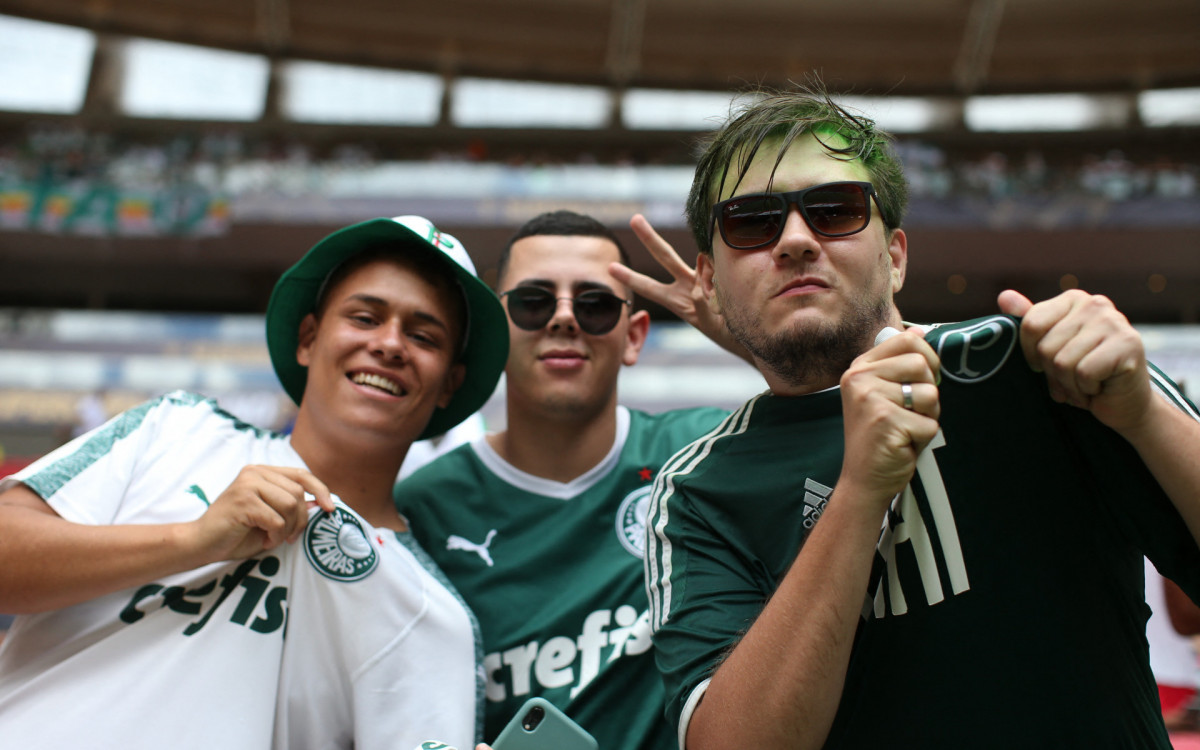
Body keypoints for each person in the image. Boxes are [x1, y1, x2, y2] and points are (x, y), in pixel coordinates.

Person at [640, 82, 1200, 750]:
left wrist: (1141, 415)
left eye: (833, 209)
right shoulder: (697, 491)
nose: (794, 240)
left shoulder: (1047, 367)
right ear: (707, 282)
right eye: (752, 223)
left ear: (896, 255)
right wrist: (858, 493)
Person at [0, 215, 509, 750]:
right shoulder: (176, 427)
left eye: (423, 335)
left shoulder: (432, 617)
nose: (389, 344)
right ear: (308, 338)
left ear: (450, 383)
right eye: (364, 317)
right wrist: (192, 540)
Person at [396, 209, 730, 749]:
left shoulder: (705, 452)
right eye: (533, 301)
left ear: (633, 336)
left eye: (596, 304)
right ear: (493, 331)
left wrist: (745, 338)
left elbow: (842, 425)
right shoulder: (422, 509)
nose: (564, 319)